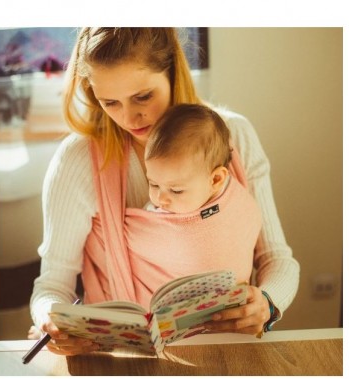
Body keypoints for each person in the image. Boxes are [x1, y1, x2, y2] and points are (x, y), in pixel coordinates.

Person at [29, 28, 300, 356]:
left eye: (142, 97)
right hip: (119, 361)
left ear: (173, 72)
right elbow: (52, 285)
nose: (129, 117)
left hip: (227, 352)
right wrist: (50, 320)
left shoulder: (234, 137)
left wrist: (268, 304)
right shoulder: (78, 160)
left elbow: (276, 258)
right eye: (110, 102)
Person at [143, 103, 233, 214]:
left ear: (216, 180)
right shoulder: (152, 213)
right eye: (154, 184)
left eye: (176, 191)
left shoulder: (231, 203)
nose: (161, 199)